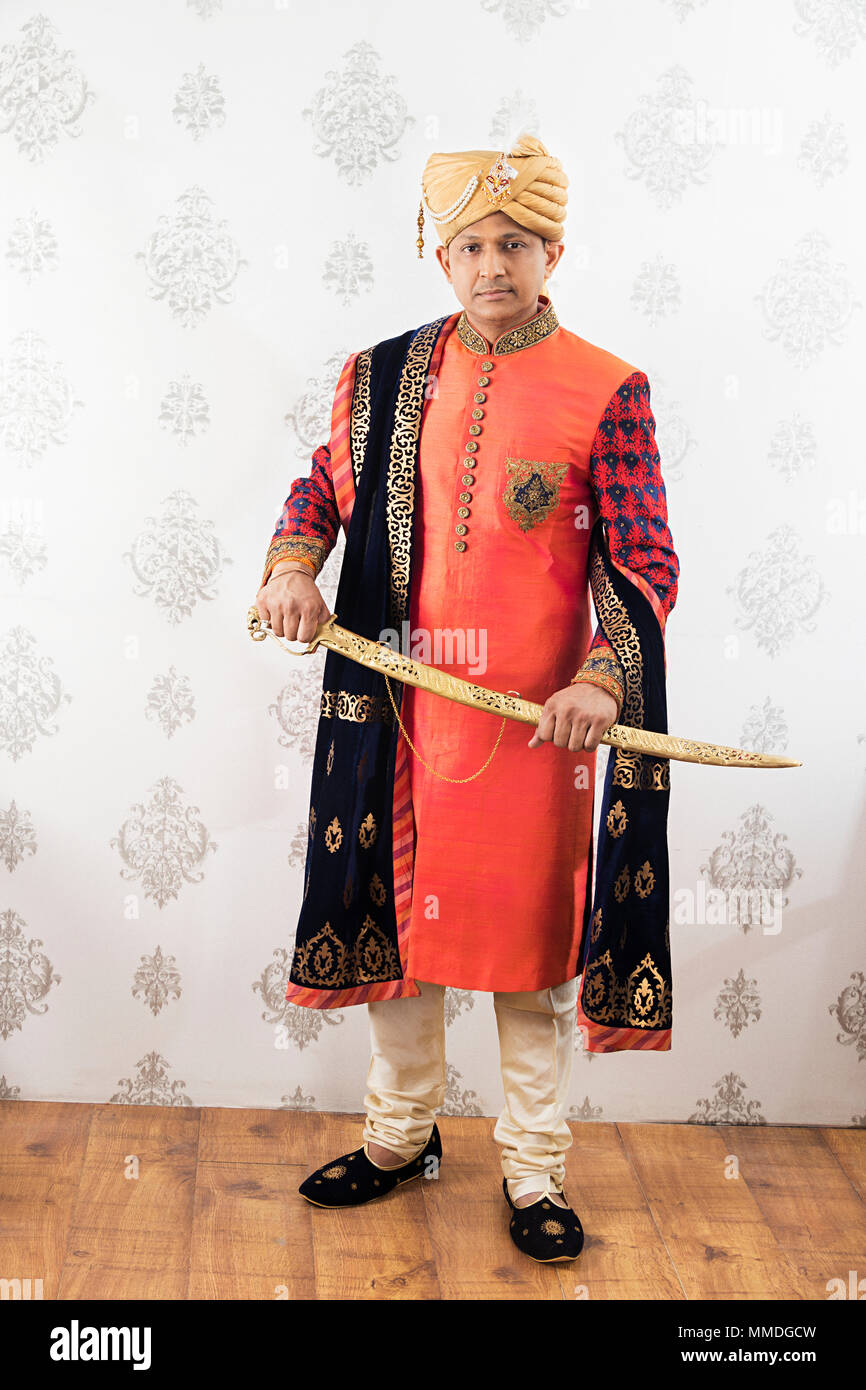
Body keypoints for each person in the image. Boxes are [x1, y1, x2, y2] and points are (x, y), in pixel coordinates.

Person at [254, 135, 679, 1264]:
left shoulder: (606, 388)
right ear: (438, 255)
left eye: (515, 243)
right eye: (470, 245)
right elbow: (318, 487)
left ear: (553, 250)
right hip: (396, 715)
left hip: (536, 731)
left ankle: (533, 1169)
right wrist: (293, 565)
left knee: (528, 958)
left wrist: (599, 676)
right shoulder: (381, 374)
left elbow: (641, 559)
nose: (492, 264)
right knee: (396, 934)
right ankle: (399, 1138)